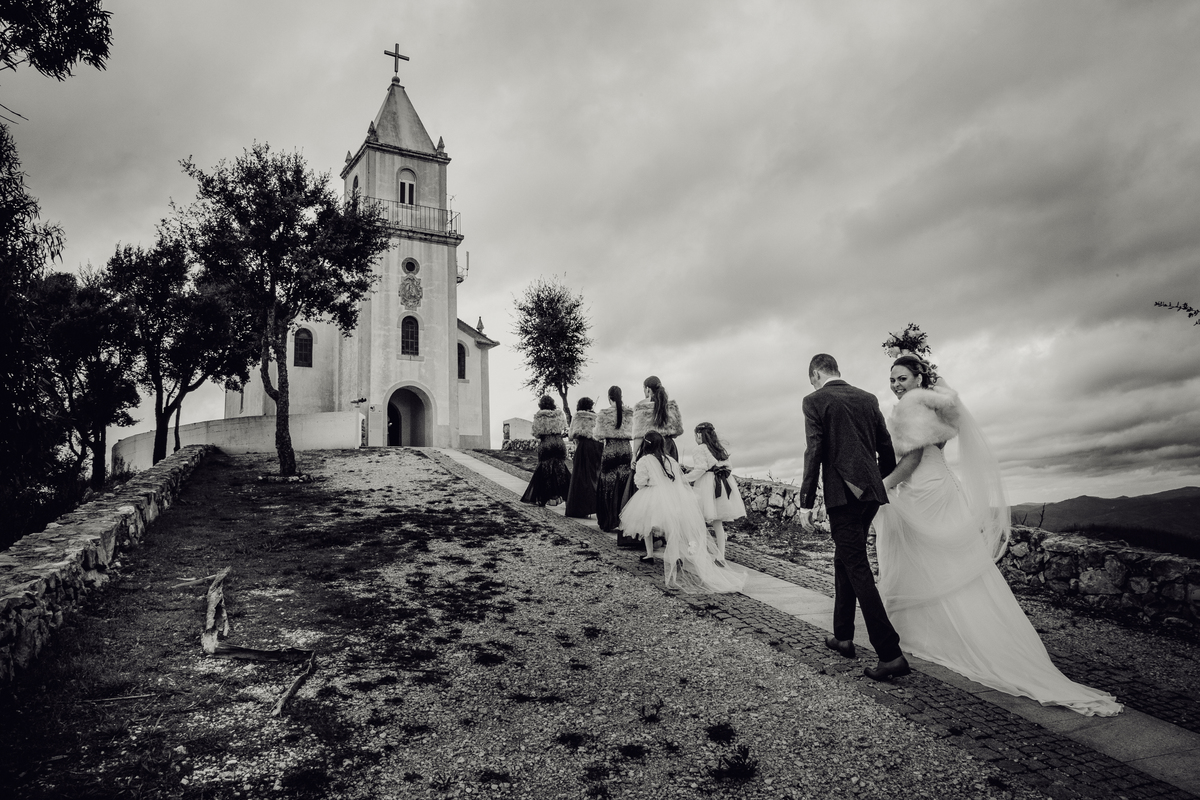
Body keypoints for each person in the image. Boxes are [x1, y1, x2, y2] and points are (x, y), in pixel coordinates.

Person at [875, 355, 1122, 716]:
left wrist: (881, 486)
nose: (896, 385)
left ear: (917, 379)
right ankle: (946, 628)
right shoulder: (937, 404)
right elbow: (936, 449)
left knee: (925, 556)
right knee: (947, 558)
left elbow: (911, 460)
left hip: (922, 490)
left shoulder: (910, 406)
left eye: (902, 378)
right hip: (942, 486)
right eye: (892, 379)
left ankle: (928, 631)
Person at [799, 354, 908, 682]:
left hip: (843, 495)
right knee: (844, 559)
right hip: (870, 492)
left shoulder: (814, 401)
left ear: (816, 374)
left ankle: (890, 653)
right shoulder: (867, 398)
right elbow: (885, 446)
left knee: (857, 565)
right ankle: (843, 636)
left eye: (812, 379)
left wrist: (805, 503)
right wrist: (879, 482)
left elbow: (814, 451)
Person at [620, 432, 746, 594]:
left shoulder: (643, 460)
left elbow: (640, 481)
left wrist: (645, 485)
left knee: (647, 524)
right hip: (672, 494)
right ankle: (676, 556)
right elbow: (677, 478)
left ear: (645, 444)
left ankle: (649, 554)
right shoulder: (670, 460)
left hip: (651, 493)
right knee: (672, 526)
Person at [684, 422, 747, 563]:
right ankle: (721, 557)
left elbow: (700, 469)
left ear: (699, 435)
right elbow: (729, 467)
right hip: (723, 483)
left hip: (707, 484)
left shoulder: (700, 449)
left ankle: (699, 554)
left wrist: (685, 479)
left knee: (699, 520)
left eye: (695, 435)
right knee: (718, 523)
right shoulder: (720, 449)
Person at [594, 386, 635, 536]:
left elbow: (598, 435)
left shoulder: (604, 413)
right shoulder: (629, 413)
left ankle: (609, 520)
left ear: (609, 397)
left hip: (611, 448)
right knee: (624, 483)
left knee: (608, 483)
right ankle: (622, 519)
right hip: (625, 448)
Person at [520, 395, 572, 507]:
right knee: (561, 469)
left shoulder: (539, 416)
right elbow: (563, 429)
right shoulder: (559, 415)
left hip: (546, 443)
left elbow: (536, 433)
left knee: (544, 470)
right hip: (558, 443)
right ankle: (568, 495)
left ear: (541, 405)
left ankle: (543, 498)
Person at [564, 397, 602, 518]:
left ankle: (580, 508)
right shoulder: (596, 416)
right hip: (597, 446)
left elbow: (571, 435)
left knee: (580, 477)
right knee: (594, 476)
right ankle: (596, 506)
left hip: (584, 447)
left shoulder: (578, 416)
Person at [632, 375, 684, 460]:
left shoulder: (642, 407)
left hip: (651, 447)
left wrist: (634, 454)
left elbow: (639, 435)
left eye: (643, 389)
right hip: (669, 447)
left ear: (648, 389)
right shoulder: (671, 407)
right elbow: (675, 434)